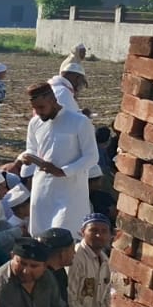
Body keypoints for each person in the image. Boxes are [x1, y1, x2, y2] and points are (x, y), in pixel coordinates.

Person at [20, 82, 96, 237]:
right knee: (40, 235)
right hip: (43, 188)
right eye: (35, 108)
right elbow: (32, 148)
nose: (38, 112)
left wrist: (63, 171)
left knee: (62, 235)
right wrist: (26, 157)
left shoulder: (79, 121)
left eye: (41, 107)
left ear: (53, 100)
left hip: (70, 191)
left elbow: (91, 156)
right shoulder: (35, 123)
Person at [70, 213, 111, 307]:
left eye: (104, 231)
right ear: (83, 232)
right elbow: (70, 302)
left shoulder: (105, 260)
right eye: (94, 230)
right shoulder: (76, 257)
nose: (99, 235)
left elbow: (106, 298)